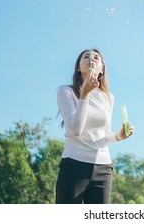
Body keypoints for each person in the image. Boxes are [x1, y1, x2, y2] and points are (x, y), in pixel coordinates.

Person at [55, 48, 134, 204]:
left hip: (103, 169)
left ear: (102, 68)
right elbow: (75, 130)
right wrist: (84, 94)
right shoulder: (66, 91)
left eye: (97, 58)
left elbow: (104, 135)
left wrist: (119, 135)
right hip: (74, 166)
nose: (92, 59)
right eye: (86, 57)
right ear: (78, 67)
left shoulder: (108, 97)